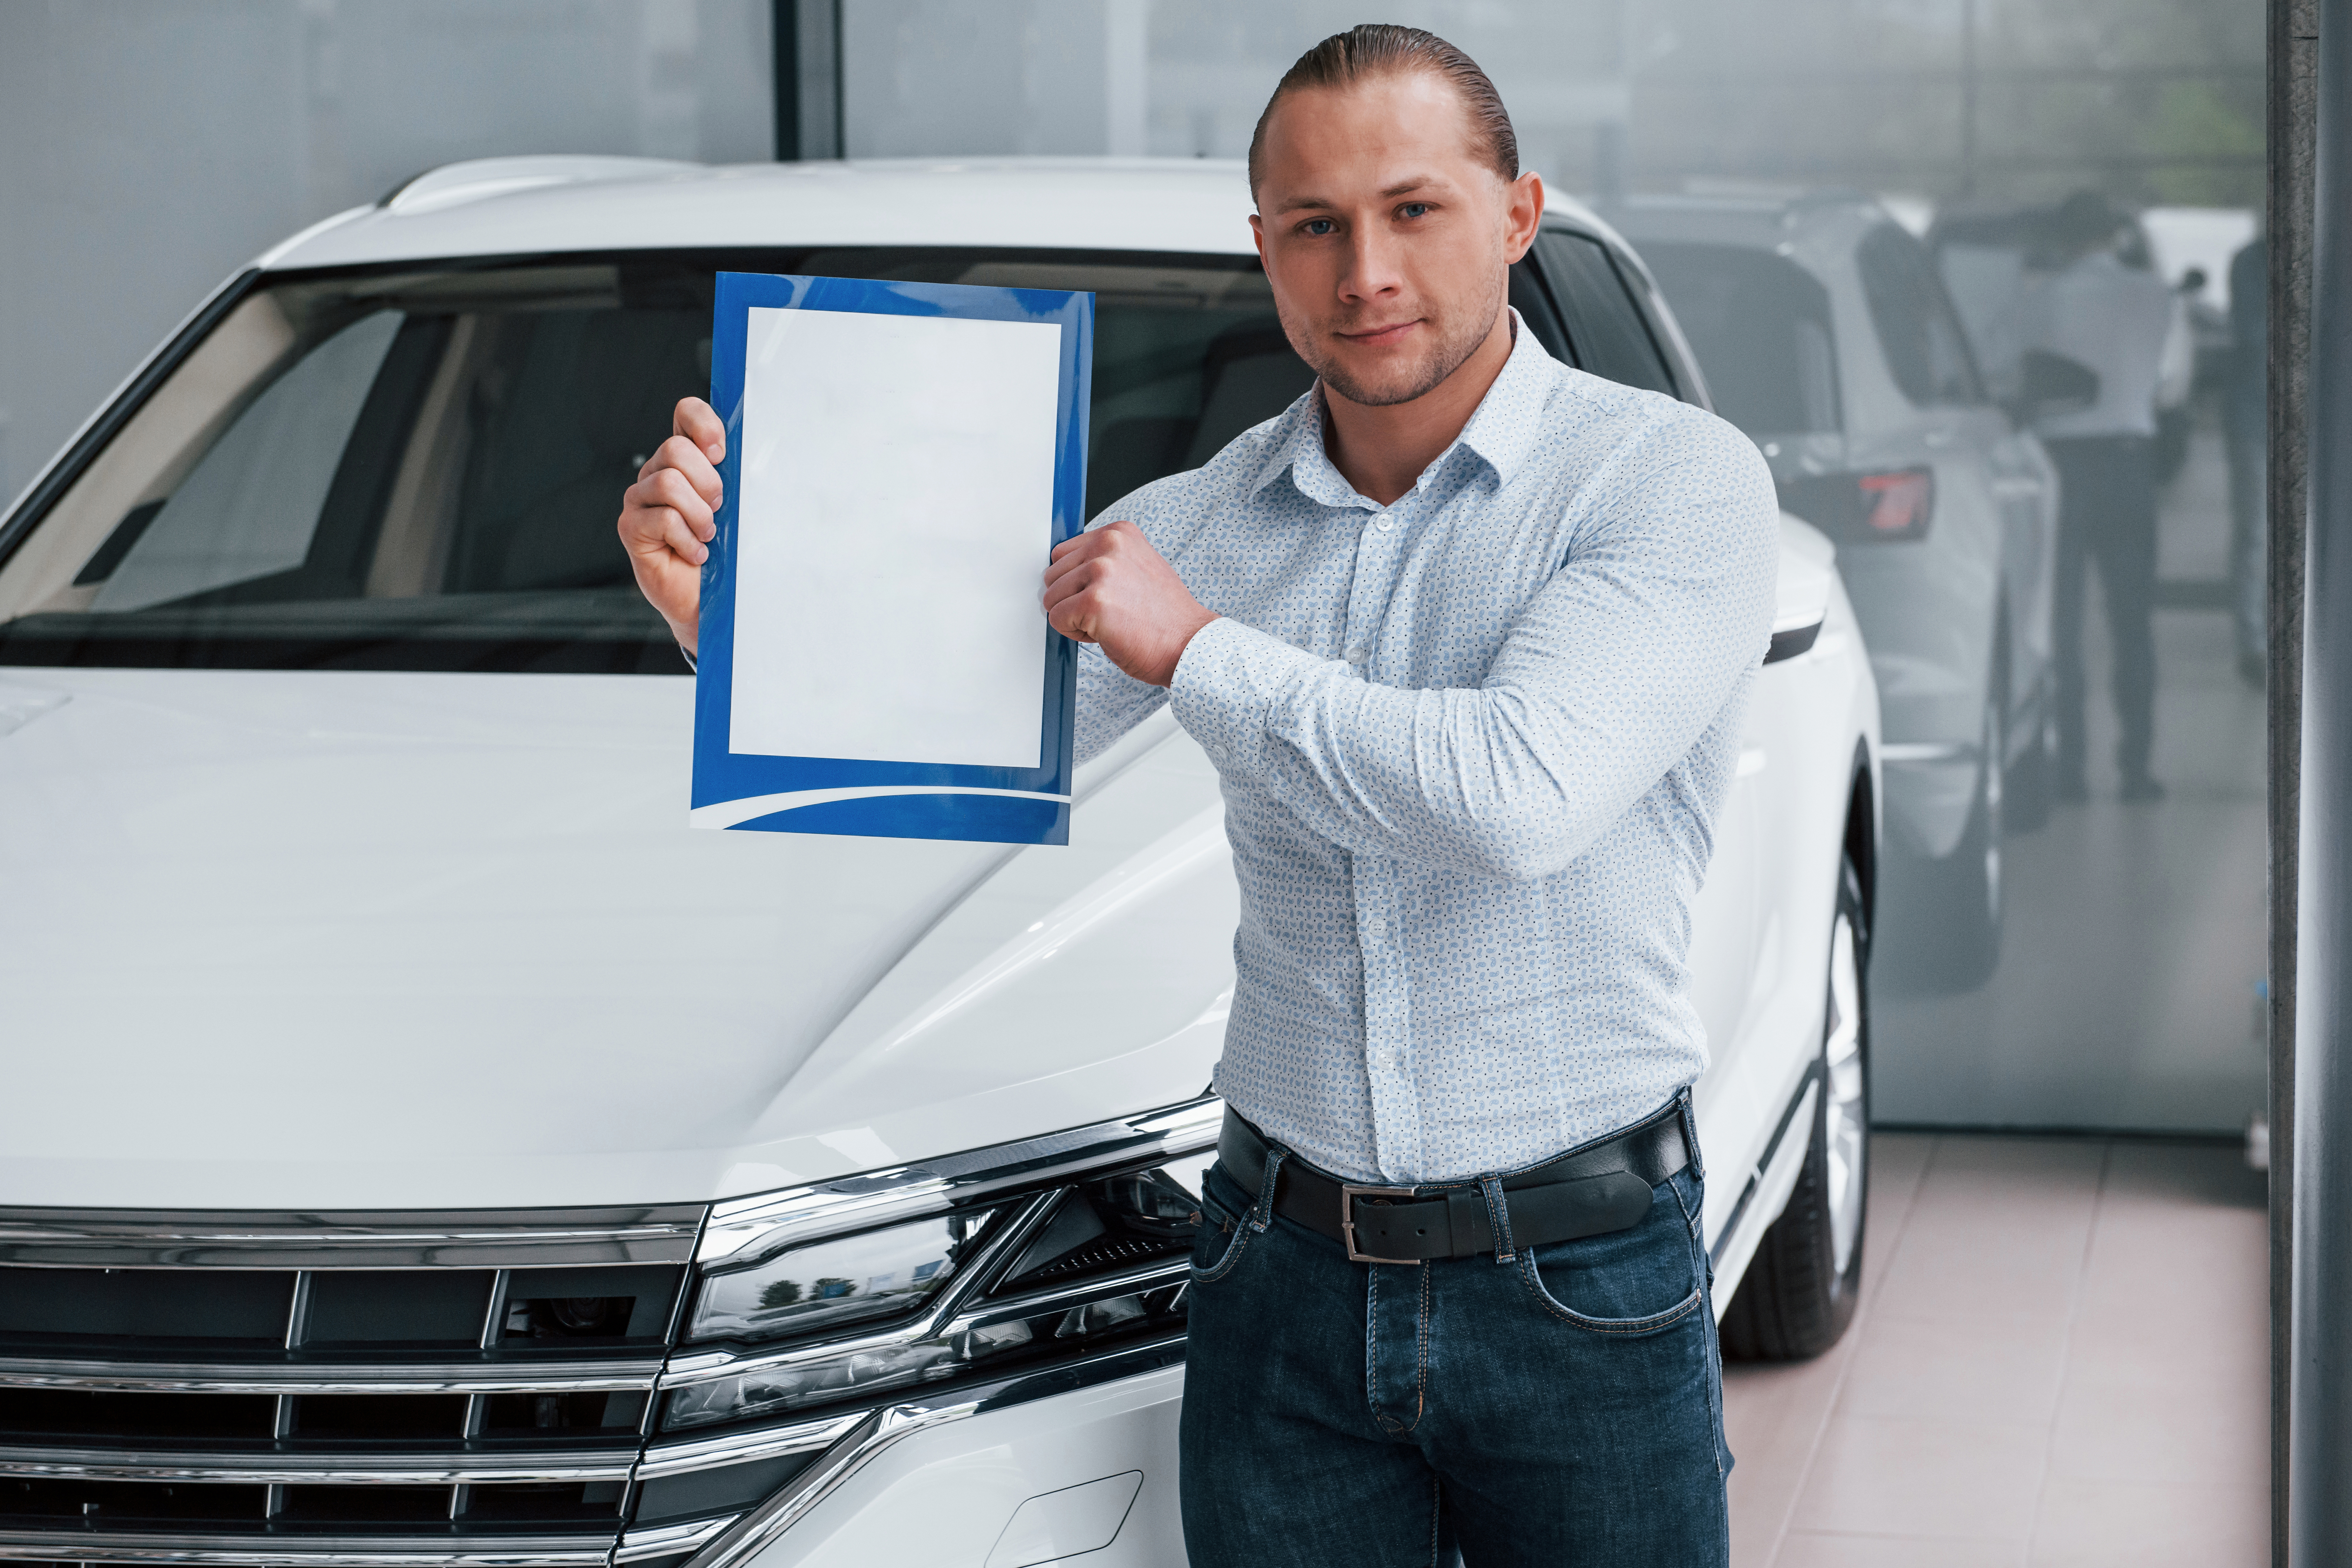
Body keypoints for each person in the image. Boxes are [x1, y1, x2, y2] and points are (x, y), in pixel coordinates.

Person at [616, 25, 1776, 1567]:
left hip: (1573, 1277)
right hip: (1274, 1279)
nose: (1364, 269)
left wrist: (1202, 649)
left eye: (1412, 209)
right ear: (1265, 251)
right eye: (1315, 225)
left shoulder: (1667, 481)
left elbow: (1523, 791)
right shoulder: (1197, 523)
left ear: (1516, 215)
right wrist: (716, 619)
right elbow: (935, 754)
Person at [2019, 190, 2180, 802]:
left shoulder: (2043, 300)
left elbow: (2015, 369)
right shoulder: (2153, 296)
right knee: (2131, 622)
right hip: (2129, 465)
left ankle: (2072, 774)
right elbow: (2162, 380)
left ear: (2063, 240)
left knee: (2061, 621)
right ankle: (2136, 770)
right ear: (2114, 237)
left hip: (2062, 468)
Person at [2227, 231, 2268, 687]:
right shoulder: (2250, 263)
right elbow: (2253, 333)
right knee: (2253, 533)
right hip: (2256, 417)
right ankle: (2253, 644)